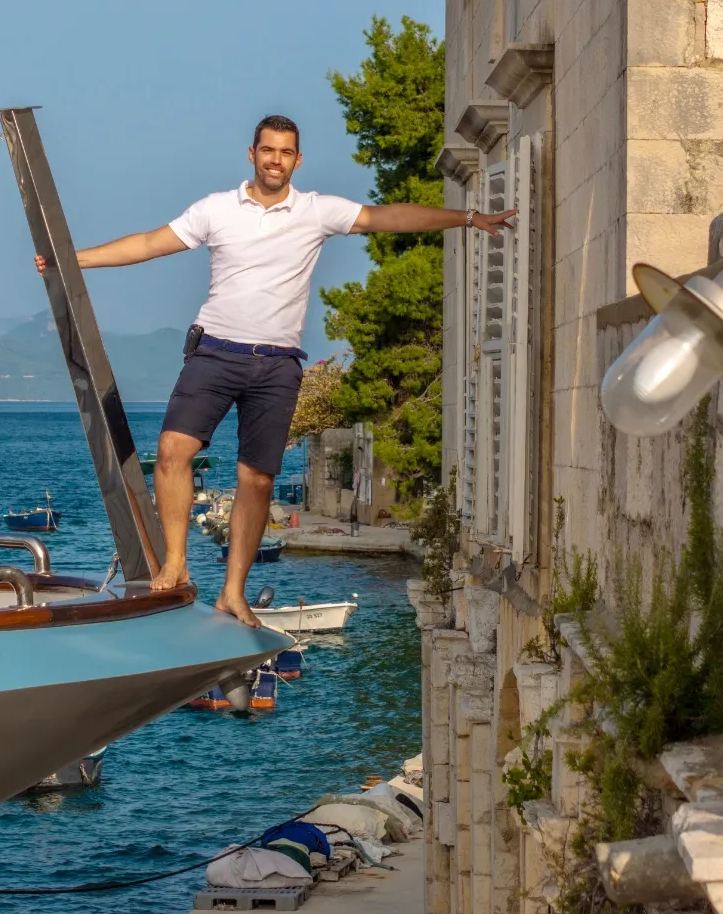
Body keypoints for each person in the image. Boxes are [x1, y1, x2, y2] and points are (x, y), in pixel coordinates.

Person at [34, 114, 515, 625]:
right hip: (215, 351)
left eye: (286, 153)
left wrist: (466, 219)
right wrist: (74, 260)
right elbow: (151, 243)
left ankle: (232, 593)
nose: (276, 160)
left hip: (278, 365)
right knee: (174, 451)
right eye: (268, 151)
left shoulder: (317, 211)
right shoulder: (216, 209)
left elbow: (388, 216)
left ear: (297, 160)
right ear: (252, 153)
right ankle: (175, 561)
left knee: (257, 480)